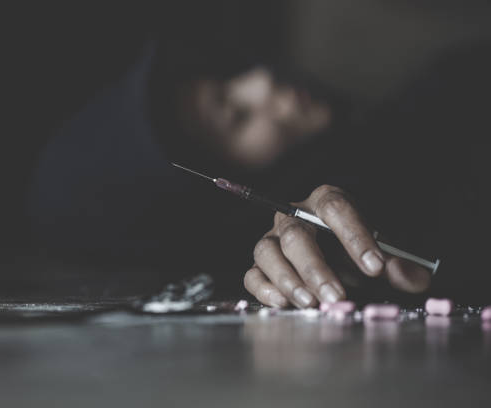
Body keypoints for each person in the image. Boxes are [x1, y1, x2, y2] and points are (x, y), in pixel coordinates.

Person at [29, 6, 490, 306]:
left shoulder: (448, 83)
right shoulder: (361, 249)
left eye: (227, 79)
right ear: (217, 202)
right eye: (238, 117)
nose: (262, 80)